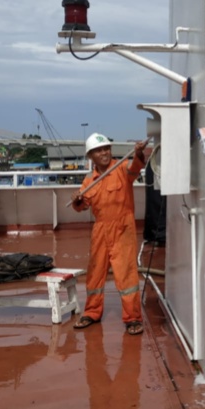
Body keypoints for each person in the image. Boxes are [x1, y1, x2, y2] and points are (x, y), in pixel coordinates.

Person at [71, 133, 148, 335]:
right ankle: (91, 313)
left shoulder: (122, 168)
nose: (104, 152)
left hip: (123, 228)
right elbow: (82, 205)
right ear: (90, 156)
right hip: (100, 230)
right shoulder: (89, 180)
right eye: (99, 150)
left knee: (126, 274)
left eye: (106, 148)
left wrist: (139, 153)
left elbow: (136, 167)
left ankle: (133, 318)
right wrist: (76, 200)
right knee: (95, 274)